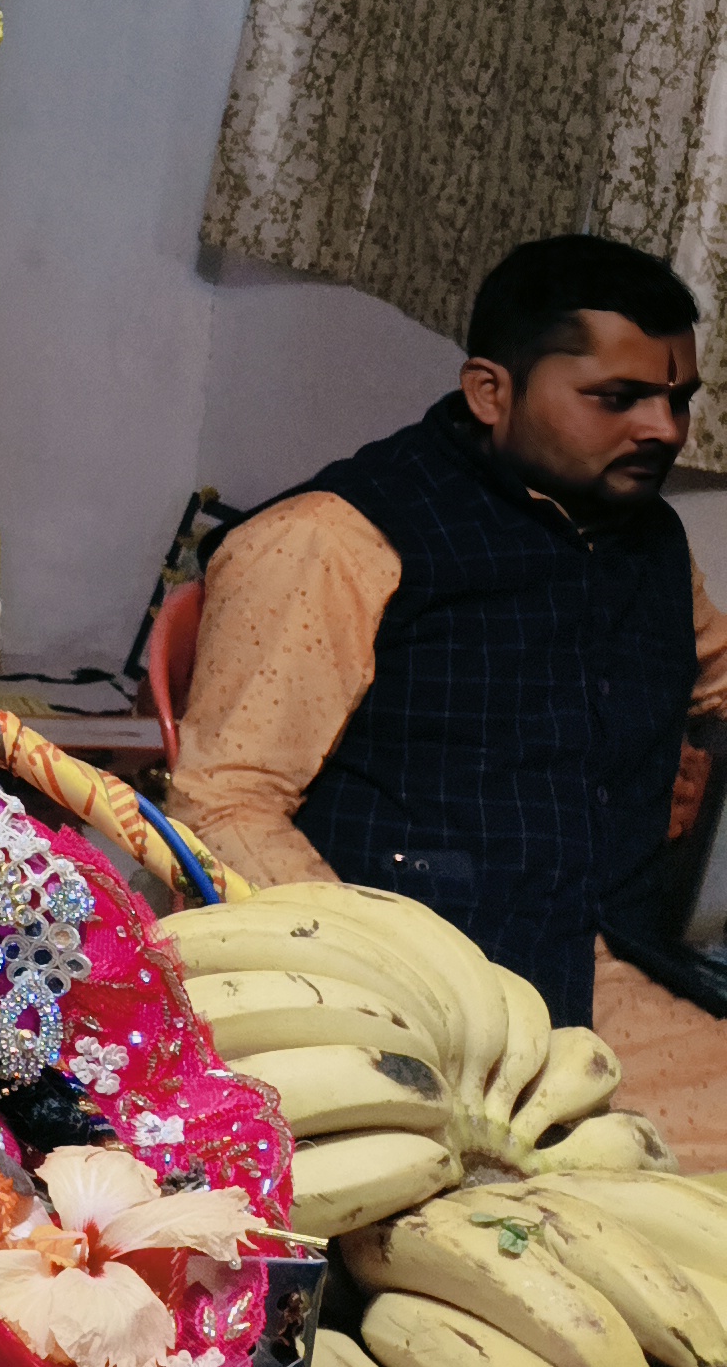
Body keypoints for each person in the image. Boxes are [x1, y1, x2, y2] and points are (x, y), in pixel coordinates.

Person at [171, 236, 727, 1025]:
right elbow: (225, 807)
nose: (665, 429)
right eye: (619, 396)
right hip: (413, 990)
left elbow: (711, 670)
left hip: (610, 973)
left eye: (679, 400)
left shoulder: (646, 537)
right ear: (491, 393)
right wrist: (375, 976)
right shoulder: (334, 539)